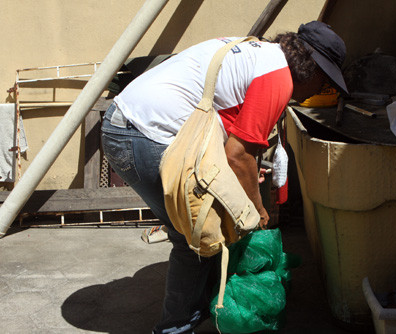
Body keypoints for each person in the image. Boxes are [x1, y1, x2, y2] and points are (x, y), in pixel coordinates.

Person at [101, 20, 348, 334]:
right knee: (199, 234)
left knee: (209, 226)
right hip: (139, 135)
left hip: (131, 126)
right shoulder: (278, 79)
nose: (321, 92)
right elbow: (237, 155)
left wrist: (247, 174)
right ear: (312, 71)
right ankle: (175, 328)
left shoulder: (263, 54)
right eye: (325, 84)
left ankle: (208, 305)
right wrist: (257, 210)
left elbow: (236, 139)